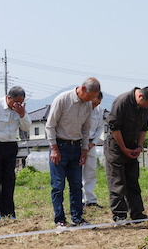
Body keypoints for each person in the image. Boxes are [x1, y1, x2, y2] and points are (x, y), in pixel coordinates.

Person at [45, 77, 100, 229]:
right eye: (89, 96)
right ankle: (60, 220)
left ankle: (77, 218)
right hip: (60, 146)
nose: (90, 100)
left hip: (76, 147)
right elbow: (50, 126)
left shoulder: (88, 104)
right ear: (82, 89)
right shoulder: (62, 99)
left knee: (76, 185)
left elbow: (86, 129)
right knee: (58, 185)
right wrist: (54, 149)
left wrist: (84, 150)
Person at [105, 86, 148, 223]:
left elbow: (143, 128)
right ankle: (119, 215)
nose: (146, 107)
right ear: (140, 96)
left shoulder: (146, 105)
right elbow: (114, 127)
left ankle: (137, 213)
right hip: (116, 147)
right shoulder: (122, 102)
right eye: (146, 105)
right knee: (117, 181)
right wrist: (123, 148)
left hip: (133, 146)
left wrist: (139, 146)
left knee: (133, 181)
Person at [0, 86, 32, 224]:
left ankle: (9, 212)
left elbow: (26, 127)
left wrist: (22, 113)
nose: (18, 104)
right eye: (16, 102)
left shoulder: (20, 110)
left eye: (21, 102)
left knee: (9, 179)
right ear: (9, 98)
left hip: (11, 146)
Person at [82, 91, 104, 208]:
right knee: (78, 172)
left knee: (90, 171)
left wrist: (93, 143)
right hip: (80, 143)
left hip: (91, 144)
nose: (95, 105)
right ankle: (81, 200)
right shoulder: (81, 108)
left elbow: (100, 127)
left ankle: (90, 199)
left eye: (98, 103)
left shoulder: (99, 110)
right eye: (94, 103)